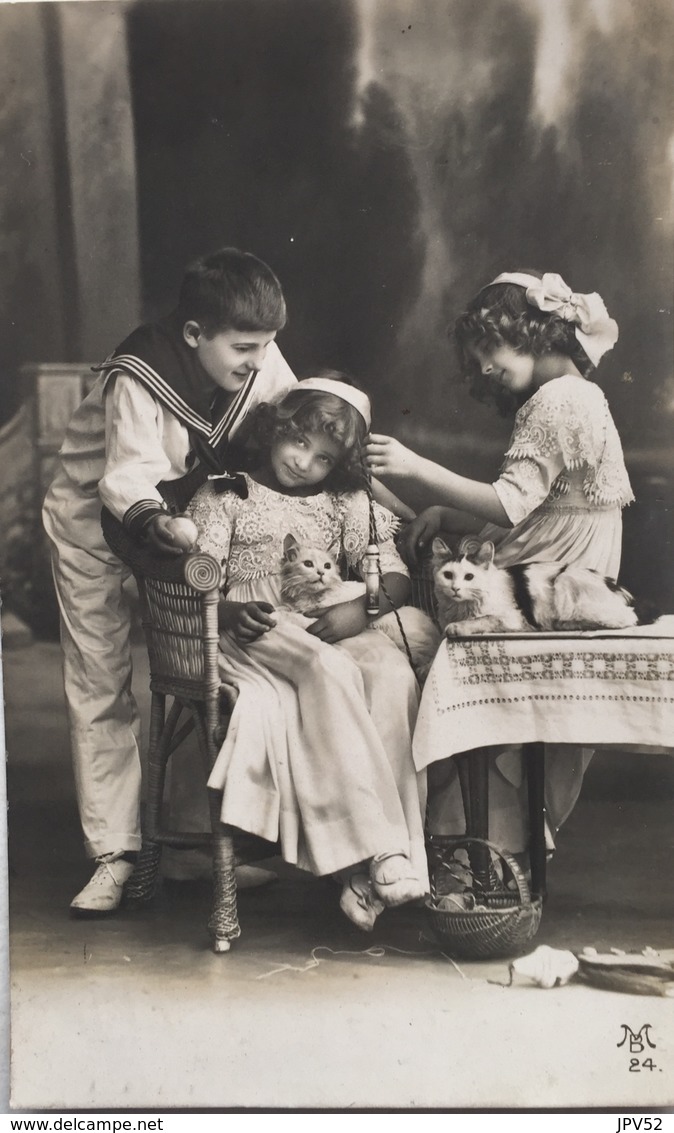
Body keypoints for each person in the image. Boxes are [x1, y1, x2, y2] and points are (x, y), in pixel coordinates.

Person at [43, 248, 297, 915]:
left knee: (194, 670)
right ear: (194, 334)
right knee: (100, 677)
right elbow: (127, 476)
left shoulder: (259, 357)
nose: (257, 360)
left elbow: (293, 427)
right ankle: (114, 852)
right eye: (244, 346)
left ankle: (186, 844)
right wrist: (161, 521)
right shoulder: (139, 371)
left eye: (266, 345)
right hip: (97, 519)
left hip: (185, 519)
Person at [365, 269, 633, 856]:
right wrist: (446, 512)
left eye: (490, 348)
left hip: (555, 567)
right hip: (563, 551)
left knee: (475, 678)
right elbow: (543, 504)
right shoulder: (569, 395)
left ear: (533, 331)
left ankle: (474, 840)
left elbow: (513, 505)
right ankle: (481, 838)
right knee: (489, 687)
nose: (484, 367)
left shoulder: (560, 401)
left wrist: (413, 467)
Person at [185, 377, 429, 931]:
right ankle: (376, 852)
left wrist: (362, 608)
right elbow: (191, 582)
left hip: (330, 620)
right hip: (253, 628)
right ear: (275, 428)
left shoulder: (345, 502)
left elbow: (394, 576)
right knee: (328, 667)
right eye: (297, 442)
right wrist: (224, 614)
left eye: (324, 457)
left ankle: (386, 871)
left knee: (391, 674)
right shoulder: (229, 492)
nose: (304, 462)